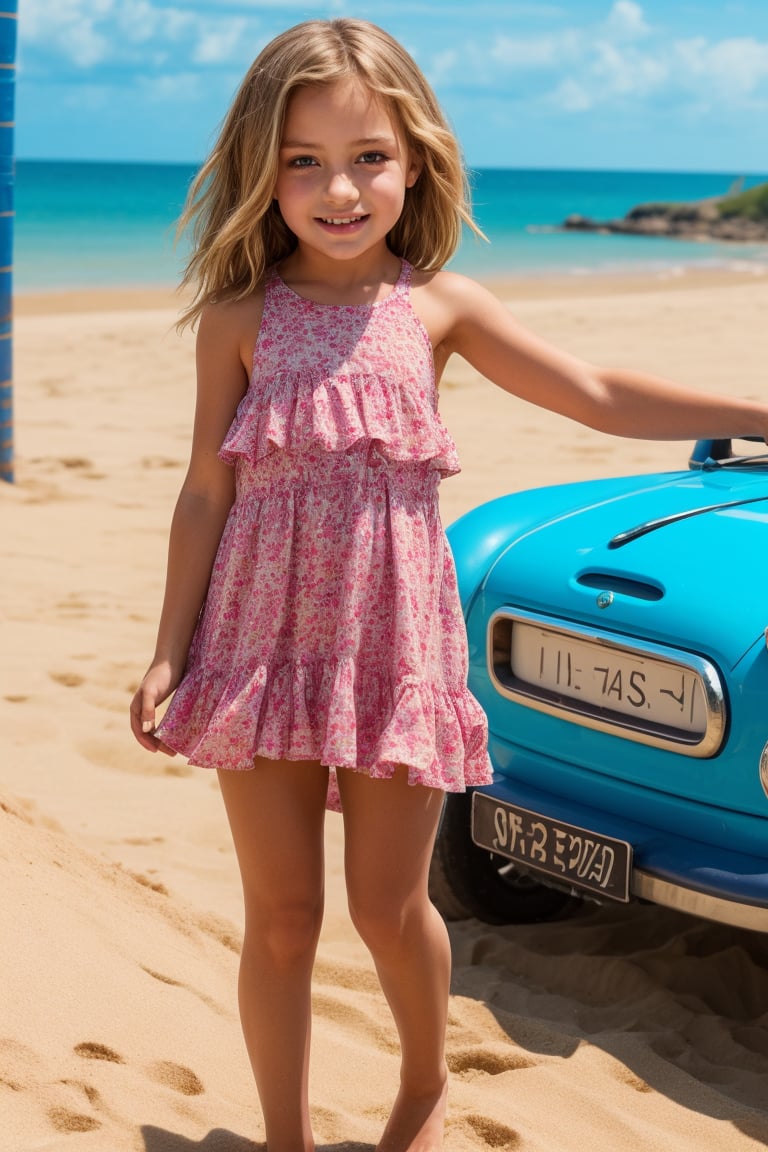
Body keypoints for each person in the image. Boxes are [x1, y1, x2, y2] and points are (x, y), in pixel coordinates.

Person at [129, 17, 768, 1152]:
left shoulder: (437, 310)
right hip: (261, 642)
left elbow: (593, 392)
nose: (340, 189)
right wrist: (171, 649)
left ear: (414, 158)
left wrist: (757, 415)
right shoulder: (236, 322)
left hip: (396, 648)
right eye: (303, 162)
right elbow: (201, 495)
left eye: (368, 156)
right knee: (282, 920)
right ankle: (284, 1138)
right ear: (261, 171)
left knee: (388, 906)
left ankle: (423, 1087)